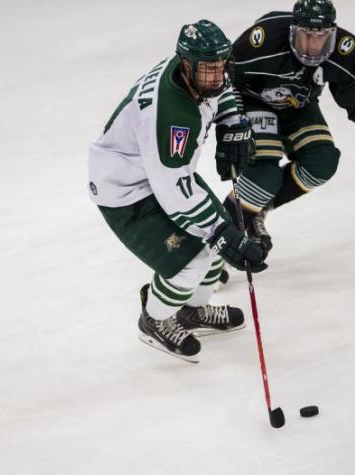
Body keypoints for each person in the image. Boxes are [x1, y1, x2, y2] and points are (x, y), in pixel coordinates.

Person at [87, 20, 268, 363]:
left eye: (221, 67)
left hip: (161, 173)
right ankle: (154, 320)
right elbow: (173, 191)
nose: (217, 77)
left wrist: (233, 125)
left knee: (214, 240)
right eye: (209, 70)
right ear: (187, 65)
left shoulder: (196, 71)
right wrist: (221, 233)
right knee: (196, 258)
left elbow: (224, 89)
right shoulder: (169, 114)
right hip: (126, 191)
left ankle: (191, 311)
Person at [222, 0, 355, 252]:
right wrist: (230, 125)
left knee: (322, 162)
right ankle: (214, 248)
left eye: (322, 37)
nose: (314, 46)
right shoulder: (264, 39)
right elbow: (224, 78)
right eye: (307, 36)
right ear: (294, 30)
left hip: (298, 105)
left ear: (332, 32)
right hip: (253, 100)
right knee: (264, 174)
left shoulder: (346, 50)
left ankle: (257, 209)